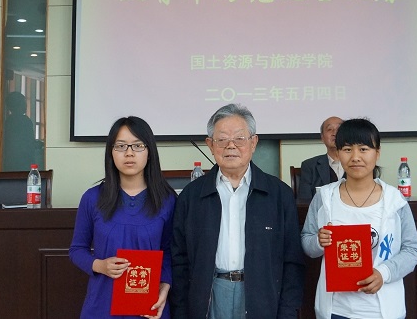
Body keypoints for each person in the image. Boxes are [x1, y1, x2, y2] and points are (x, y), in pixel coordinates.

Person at [171, 103, 305, 319]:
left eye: (239, 138)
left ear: (254, 143)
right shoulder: (191, 196)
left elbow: (292, 262)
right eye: (222, 139)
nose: (231, 146)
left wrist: (287, 313)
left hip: (262, 296)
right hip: (209, 294)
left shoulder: (279, 194)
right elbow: (179, 260)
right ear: (210, 145)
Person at [301, 118, 417, 319]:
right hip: (336, 310)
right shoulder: (324, 197)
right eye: (347, 149)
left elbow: (412, 250)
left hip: (382, 311)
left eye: (364, 149)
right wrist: (318, 242)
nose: (355, 157)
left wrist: (383, 273)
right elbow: (307, 242)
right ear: (338, 153)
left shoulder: (394, 200)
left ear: (377, 153)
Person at [70, 116, 176, 319]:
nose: (129, 153)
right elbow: (77, 250)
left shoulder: (167, 200)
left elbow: (170, 252)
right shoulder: (92, 198)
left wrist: (165, 285)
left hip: (149, 306)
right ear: (111, 152)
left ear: (149, 152)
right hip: (102, 305)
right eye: (120, 146)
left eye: (138, 145)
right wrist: (100, 265)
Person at [298, 116, 344, 201]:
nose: (334, 133)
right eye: (329, 129)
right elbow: (304, 201)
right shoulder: (309, 166)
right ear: (322, 138)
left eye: (339, 129)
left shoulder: (358, 163)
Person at [1, 91, 37, 171]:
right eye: (23, 102)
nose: (26, 105)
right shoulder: (25, 121)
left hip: (9, 163)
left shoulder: (7, 121)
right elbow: (29, 143)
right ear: (18, 105)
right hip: (23, 162)